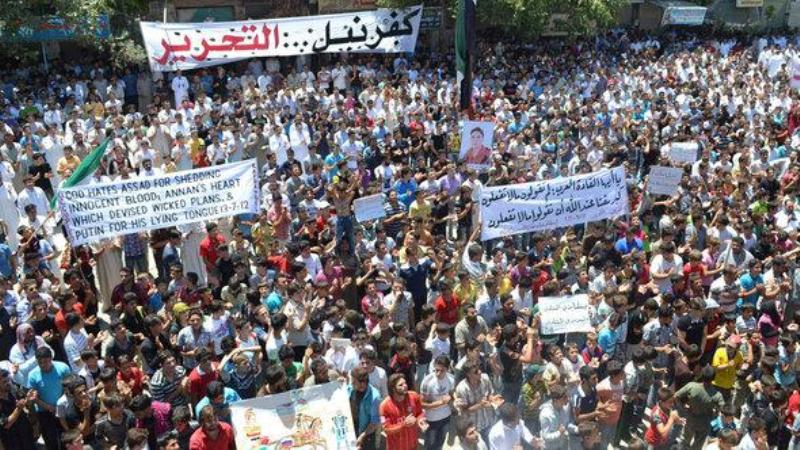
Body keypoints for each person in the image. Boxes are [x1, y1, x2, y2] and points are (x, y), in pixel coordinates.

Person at [28, 346, 71, 450]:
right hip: (44, 413)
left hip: (64, 409)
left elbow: (69, 388)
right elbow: (34, 397)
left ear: (51, 358)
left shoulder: (63, 368)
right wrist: (49, 407)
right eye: (40, 362)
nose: (43, 365)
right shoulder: (32, 375)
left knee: (67, 437)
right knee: (51, 441)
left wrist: (60, 406)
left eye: (46, 362)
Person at [380, 373, 427, 450]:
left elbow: (420, 413)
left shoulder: (414, 396)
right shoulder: (384, 406)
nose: (405, 386)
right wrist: (403, 424)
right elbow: (386, 429)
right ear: (393, 388)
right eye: (400, 385)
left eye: (405, 383)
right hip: (396, 447)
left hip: (413, 445)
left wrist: (420, 420)